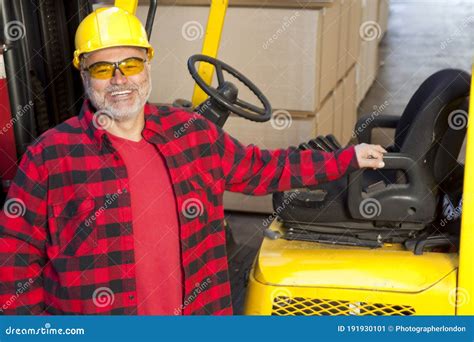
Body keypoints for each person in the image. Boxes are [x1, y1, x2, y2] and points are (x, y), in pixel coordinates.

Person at [0, 7, 386, 315]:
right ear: (83, 74)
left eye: (130, 64)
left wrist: (346, 159)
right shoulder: (50, 156)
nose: (119, 79)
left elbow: (263, 168)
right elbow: (15, 255)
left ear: (148, 65)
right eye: (102, 68)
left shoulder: (192, 134)